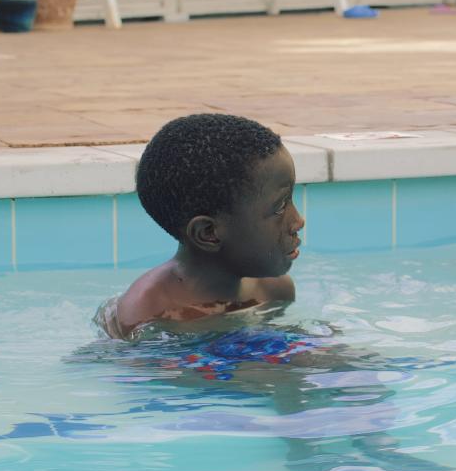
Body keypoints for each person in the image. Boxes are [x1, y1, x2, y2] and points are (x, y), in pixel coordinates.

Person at [96, 113, 304, 339]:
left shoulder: (274, 291)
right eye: (280, 207)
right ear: (209, 233)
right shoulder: (146, 314)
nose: (298, 221)